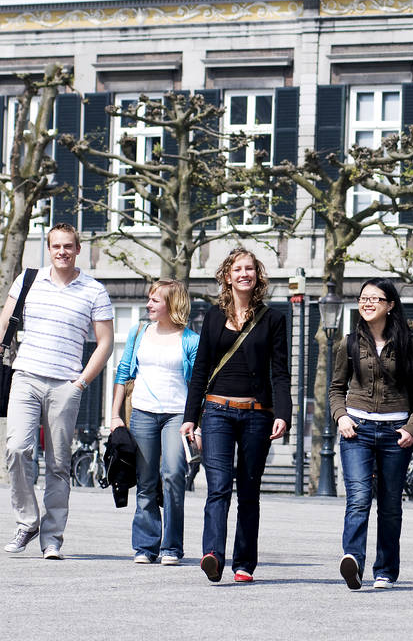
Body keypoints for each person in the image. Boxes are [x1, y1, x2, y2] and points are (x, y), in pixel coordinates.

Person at [0, 223, 114, 559]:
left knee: (58, 464)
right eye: (56, 246)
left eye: (68, 246)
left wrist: (81, 383)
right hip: (26, 377)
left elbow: (106, 342)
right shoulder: (29, 280)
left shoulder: (94, 290)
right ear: (49, 247)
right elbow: (2, 325)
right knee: (17, 449)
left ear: (78, 249)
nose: (62, 252)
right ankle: (27, 522)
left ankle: (52, 537)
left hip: (65, 384)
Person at [181, 248, 290, 583]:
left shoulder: (273, 319)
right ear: (227, 276)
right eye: (238, 269)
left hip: (257, 413)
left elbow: (280, 373)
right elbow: (200, 369)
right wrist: (190, 416)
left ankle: (244, 563)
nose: (244, 274)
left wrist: (283, 413)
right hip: (216, 411)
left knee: (249, 489)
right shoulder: (213, 317)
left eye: (250, 269)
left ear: (257, 276)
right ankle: (213, 553)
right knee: (217, 486)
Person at [330, 279, 413, 590]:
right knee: (358, 499)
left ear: (390, 305)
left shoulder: (408, 344)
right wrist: (341, 417)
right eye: (363, 298)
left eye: (375, 298)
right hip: (356, 431)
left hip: (394, 434)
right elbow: (336, 389)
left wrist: (412, 428)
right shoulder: (347, 344)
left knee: (389, 505)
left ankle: (385, 570)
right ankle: (353, 560)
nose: (367, 303)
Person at [111, 279, 200, 566]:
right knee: (146, 482)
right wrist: (115, 416)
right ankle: (145, 546)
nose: (149, 304)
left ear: (172, 305)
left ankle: (171, 546)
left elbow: (200, 385)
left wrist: (196, 424)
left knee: (174, 475)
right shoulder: (139, 332)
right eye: (150, 300)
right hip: (143, 414)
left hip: (178, 416)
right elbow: (123, 372)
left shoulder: (190, 340)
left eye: (155, 300)